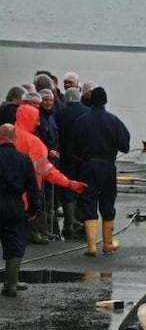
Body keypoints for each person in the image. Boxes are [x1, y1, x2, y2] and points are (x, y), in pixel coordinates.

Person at [12, 105, 86, 244]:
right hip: (26, 197)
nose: (38, 123)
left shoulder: (6, 135)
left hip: (6, 195)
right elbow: (47, 171)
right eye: (36, 119)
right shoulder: (34, 143)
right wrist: (69, 183)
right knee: (16, 246)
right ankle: (33, 234)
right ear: (30, 119)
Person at [72, 87, 130, 256]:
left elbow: (74, 146)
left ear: (90, 101)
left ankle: (91, 246)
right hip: (106, 165)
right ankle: (107, 243)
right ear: (105, 100)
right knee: (107, 201)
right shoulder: (114, 121)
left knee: (88, 200)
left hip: (87, 165)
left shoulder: (81, 120)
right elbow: (124, 145)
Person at [0, 124, 41, 297]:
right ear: (14, 138)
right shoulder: (23, 159)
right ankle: (11, 284)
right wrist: (33, 209)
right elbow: (33, 187)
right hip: (14, 203)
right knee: (14, 242)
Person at [55, 87, 90, 239]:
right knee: (81, 186)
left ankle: (69, 222)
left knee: (67, 187)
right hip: (82, 156)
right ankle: (80, 219)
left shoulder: (60, 112)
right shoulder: (86, 111)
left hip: (65, 156)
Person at [36, 89, 62, 240]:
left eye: (51, 100)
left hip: (51, 162)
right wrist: (48, 151)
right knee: (43, 195)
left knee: (49, 196)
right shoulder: (38, 118)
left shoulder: (51, 118)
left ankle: (47, 228)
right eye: (45, 100)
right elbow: (37, 139)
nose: (48, 103)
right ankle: (40, 229)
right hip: (42, 161)